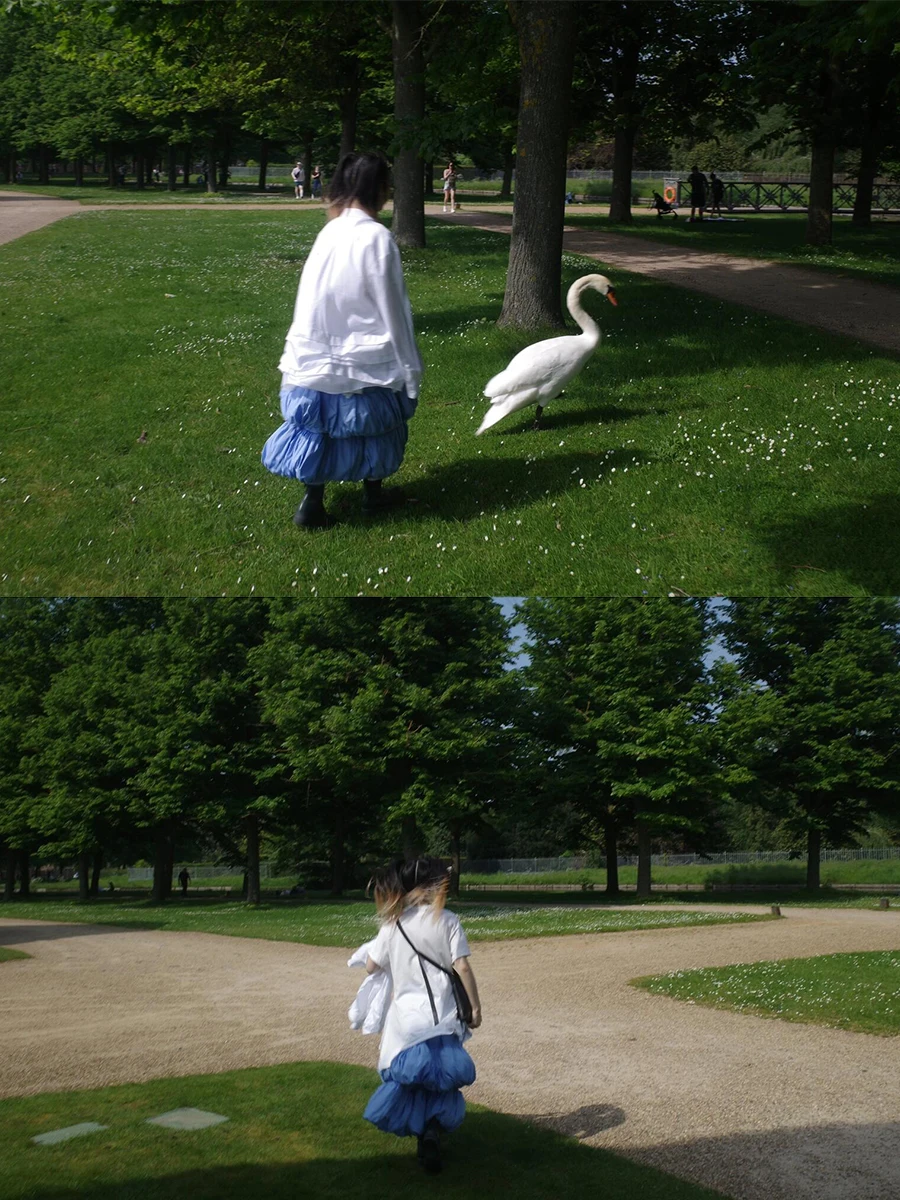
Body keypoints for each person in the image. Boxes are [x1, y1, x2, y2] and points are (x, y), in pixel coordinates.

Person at [261, 151, 423, 529]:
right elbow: (394, 309)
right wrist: (411, 370)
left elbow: (310, 298)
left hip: (314, 355)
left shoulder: (329, 231)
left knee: (322, 430)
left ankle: (312, 503)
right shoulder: (377, 237)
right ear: (381, 188)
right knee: (375, 429)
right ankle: (373, 495)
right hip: (366, 359)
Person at [360, 857, 481, 1175]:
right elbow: (462, 966)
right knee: (439, 1081)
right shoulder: (448, 920)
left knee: (411, 1080)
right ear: (435, 886)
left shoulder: (393, 923)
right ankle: (431, 1132)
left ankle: (422, 1133)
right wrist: (476, 1007)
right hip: (441, 1015)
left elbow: (372, 966)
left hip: (406, 1020)